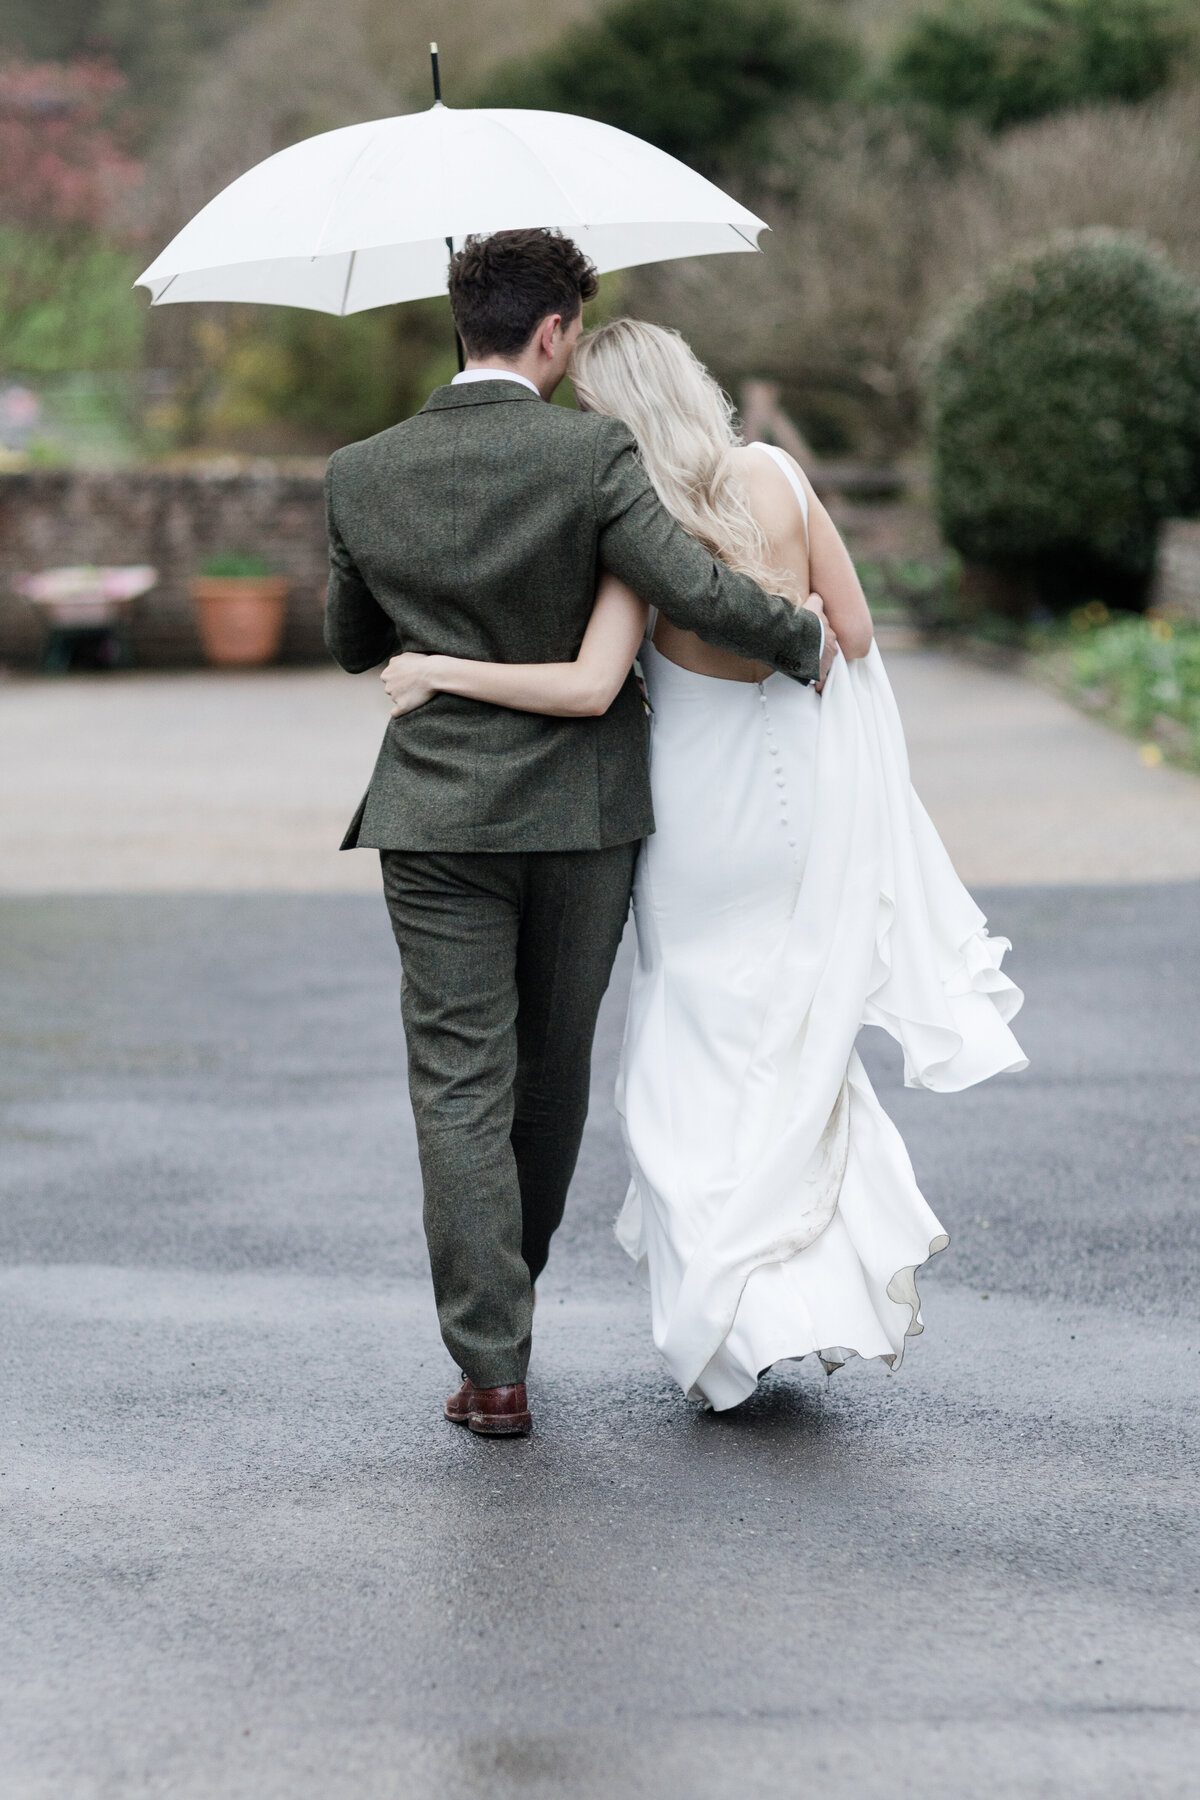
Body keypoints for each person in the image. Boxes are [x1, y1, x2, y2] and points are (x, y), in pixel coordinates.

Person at [381, 319, 1028, 1412]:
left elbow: (587, 689)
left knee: (689, 1055)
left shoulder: (636, 529)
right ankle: (799, 1296)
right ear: (693, 386)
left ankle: (729, 1313)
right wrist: (802, 616)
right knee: (796, 1039)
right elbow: (855, 636)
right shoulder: (776, 474)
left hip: (691, 819)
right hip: (798, 811)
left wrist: (441, 667)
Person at [323, 234, 834, 1437]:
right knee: (548, 1078)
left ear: (463, 326)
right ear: (555, 332)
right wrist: (801, 638)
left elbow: (355, 641)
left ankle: (492, 1364)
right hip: (579, 819)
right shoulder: (590, 450)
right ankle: (513, 1299)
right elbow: (694, 590)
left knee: (457, 1082)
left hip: (433, 814)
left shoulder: (360, 470)